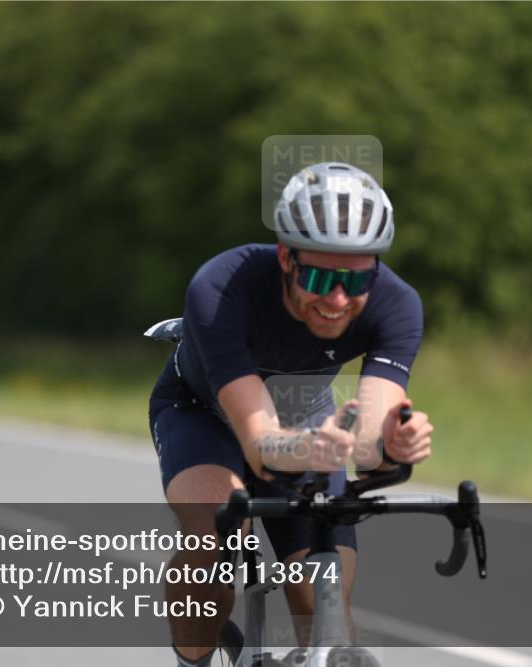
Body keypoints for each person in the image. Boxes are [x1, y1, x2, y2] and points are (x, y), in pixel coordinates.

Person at [148, 162, 434, 666]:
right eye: (320, 276)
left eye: (357, 279)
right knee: (213, 539)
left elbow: (372, 437)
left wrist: (392, 445)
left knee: (320, 599)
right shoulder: (220, 288)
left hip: (307, 420)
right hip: (203, 413)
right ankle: (193, 658)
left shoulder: (397, 305)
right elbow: (261, 447)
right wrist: (308, 448)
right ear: (286, 257)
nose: (338, 298)